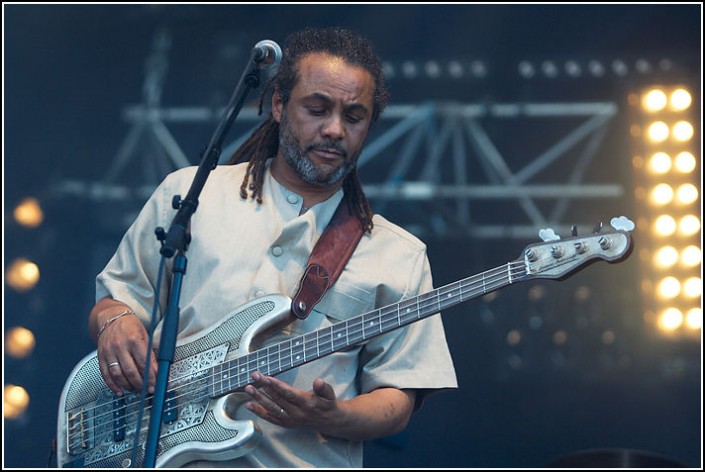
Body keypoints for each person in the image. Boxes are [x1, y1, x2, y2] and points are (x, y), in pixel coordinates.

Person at [89, 26, 457, 468]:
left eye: (354, 117)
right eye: (317, 109)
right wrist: (115, 321)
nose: (335, 130)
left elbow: (399, 394)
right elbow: (116, 299)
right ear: (279, 105)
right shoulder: (192, 194)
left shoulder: (399, 255)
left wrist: (335, 415)